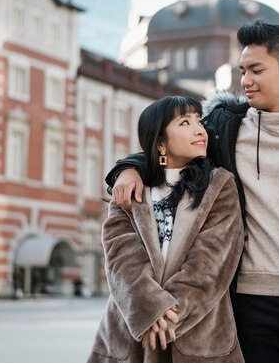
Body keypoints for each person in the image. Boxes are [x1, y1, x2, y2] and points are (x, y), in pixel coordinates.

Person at [106, 20, 279, 363]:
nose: (245, 81)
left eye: (256, 69)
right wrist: (128, 168)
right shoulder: (224, 128)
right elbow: (172, 147)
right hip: (251, 307)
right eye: (242, 70)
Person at [88, 96, 244, 363]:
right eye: (185, 122)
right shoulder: (129, 189)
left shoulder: (219, 186)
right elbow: (121, 260)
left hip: (199, 335)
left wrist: (167, 317)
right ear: (160, 142)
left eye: (198, 121)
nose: (199, 129)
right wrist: (148, 310)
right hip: (129, 336)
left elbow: (211, 264)